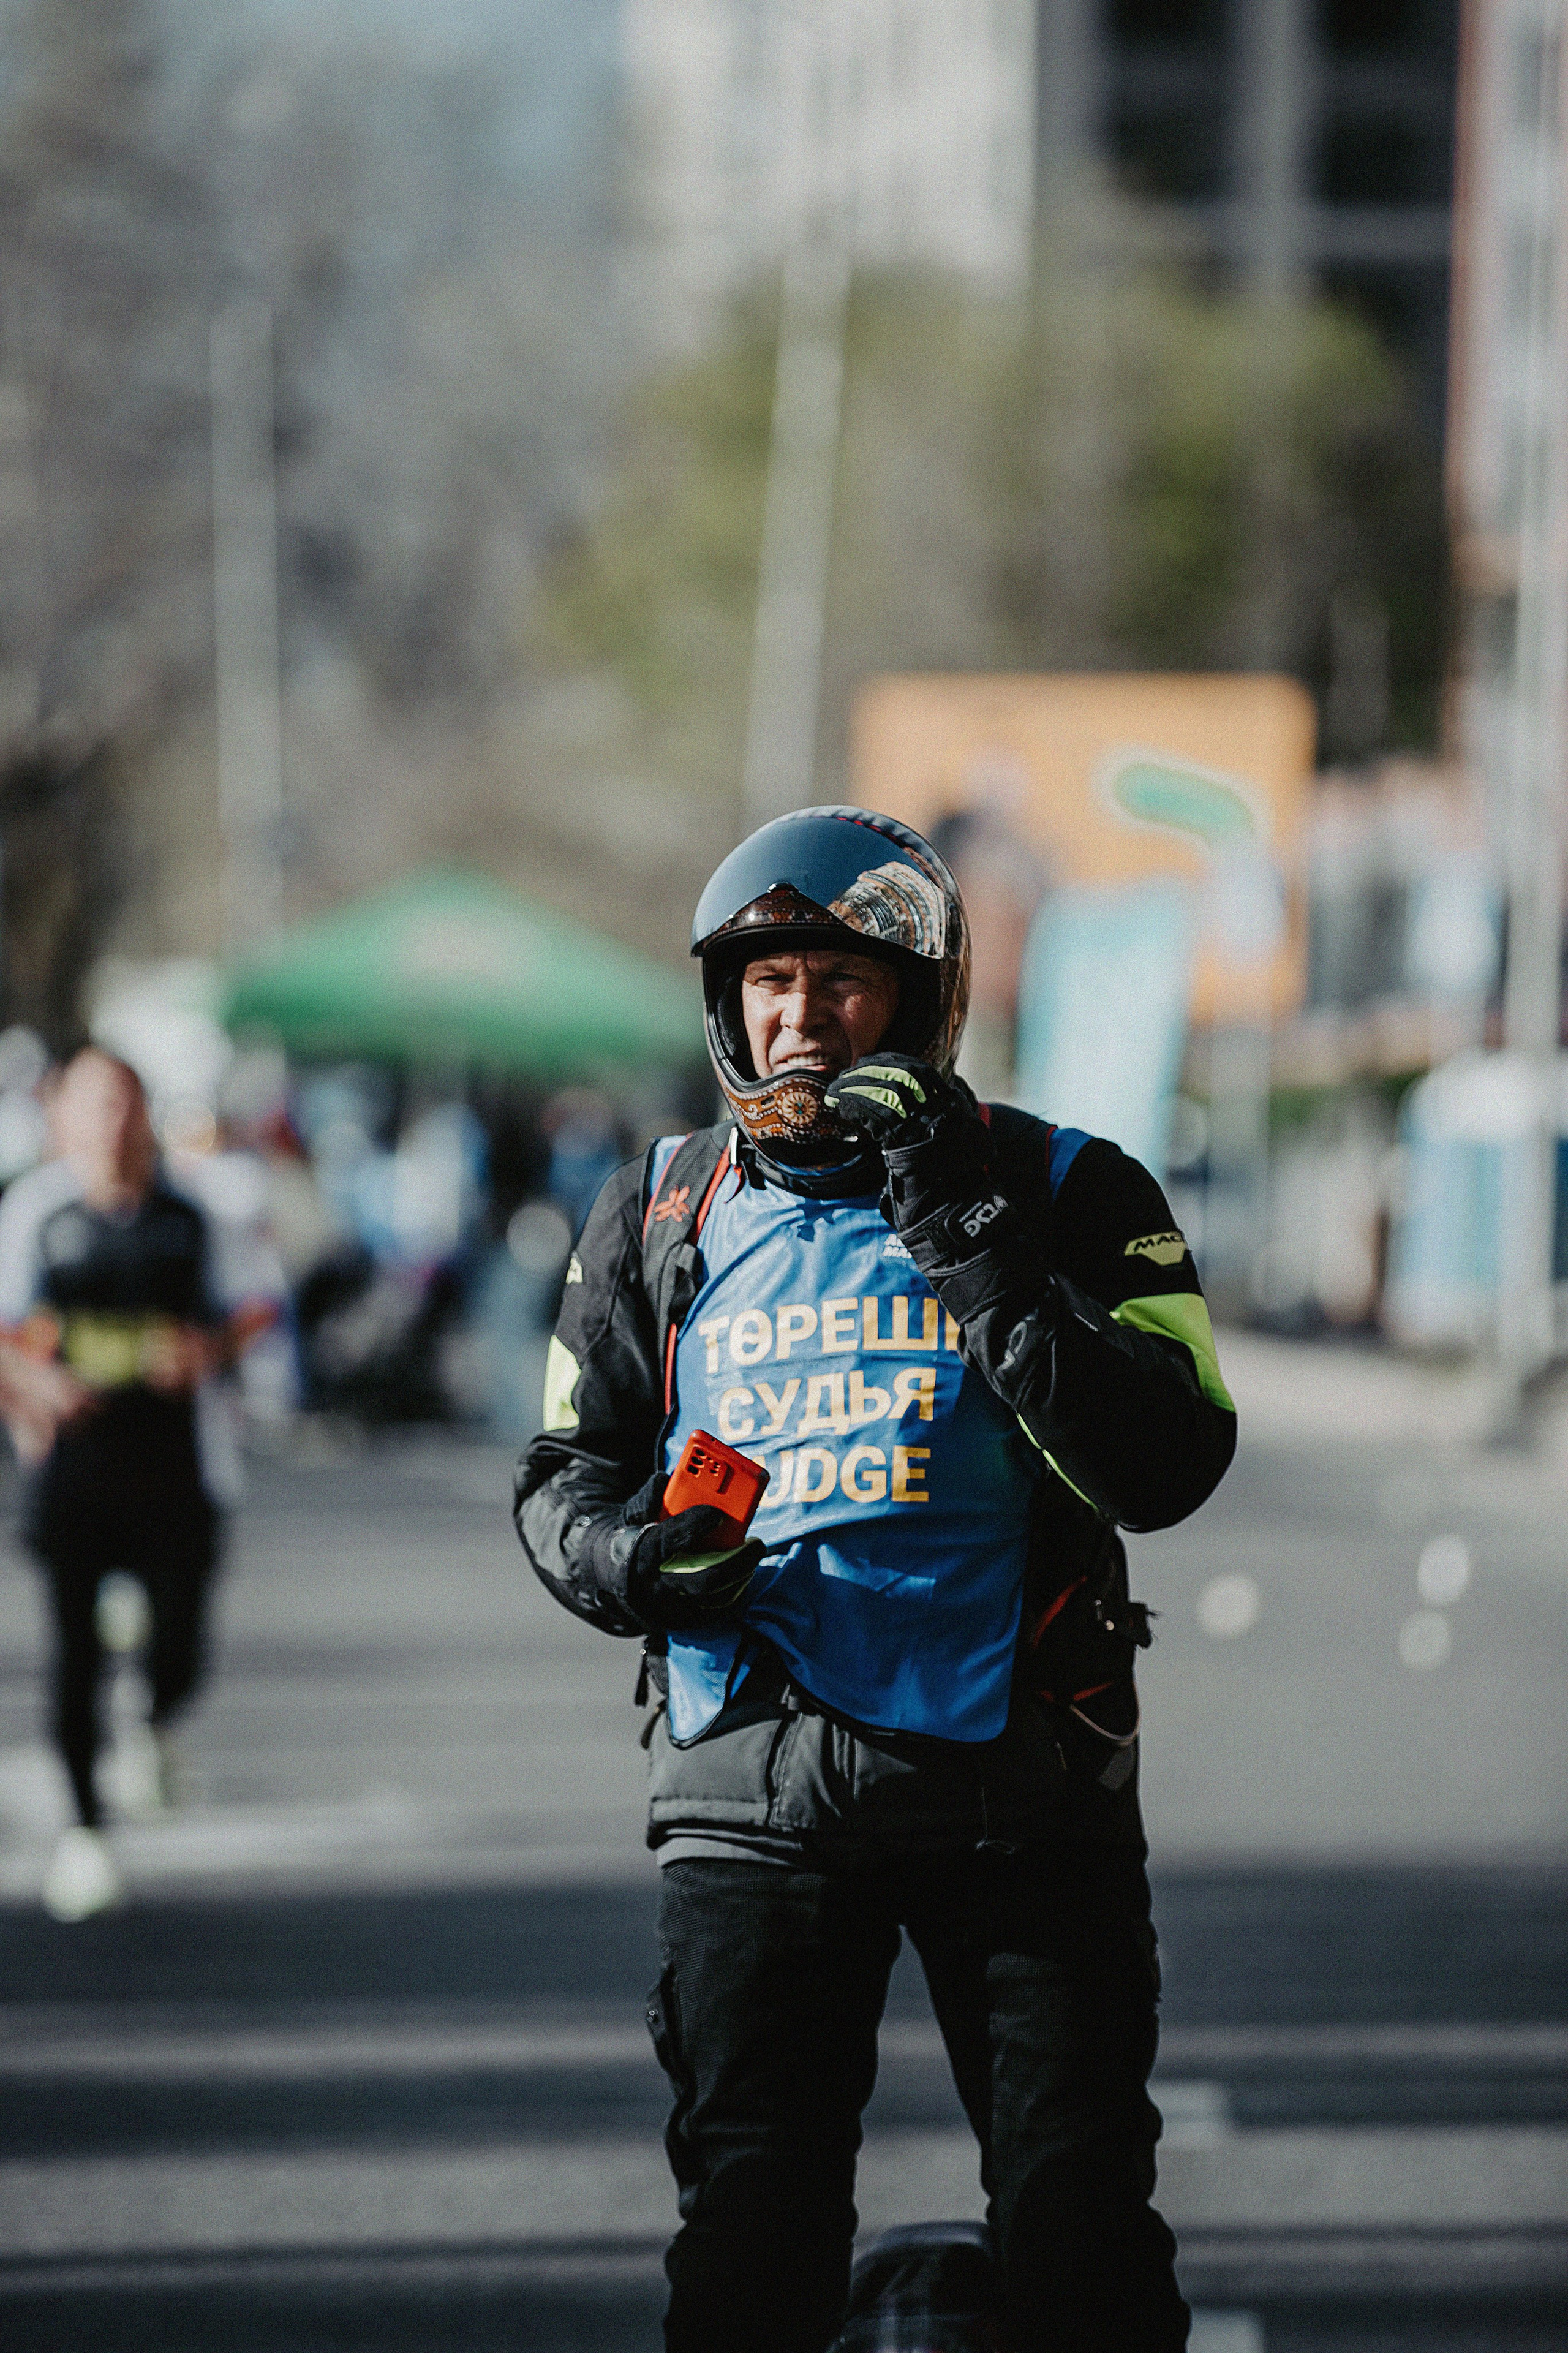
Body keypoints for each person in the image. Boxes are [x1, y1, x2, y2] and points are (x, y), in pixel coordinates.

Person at [514, 807, 1237, 2353]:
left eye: (838, 981)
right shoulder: (659, 1206)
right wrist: (634, 1561)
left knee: (1081, 2232)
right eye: (766, 982)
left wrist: (970, 1241)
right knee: (749, 2238)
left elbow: (1170, 1460)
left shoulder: (1070, 1186)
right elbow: (560, 1481)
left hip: (1020, 1792)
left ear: (918, 998)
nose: (797, 1017)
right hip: (748, 1800)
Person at [0, 1049, 273, 1921]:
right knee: (73, 1653)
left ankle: (155, 1712)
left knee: (182, 1653)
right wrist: (36, 1383)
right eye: (92, 1105)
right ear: (62, 1118)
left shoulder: (194, 1214)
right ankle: (84, 1835)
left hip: (177, 1467)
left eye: (124, 1104)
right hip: (74, 1465)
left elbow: (258, 1305)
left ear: (144, 1115)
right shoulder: (35, 1211)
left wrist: (207, 1352)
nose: (110, 1122)